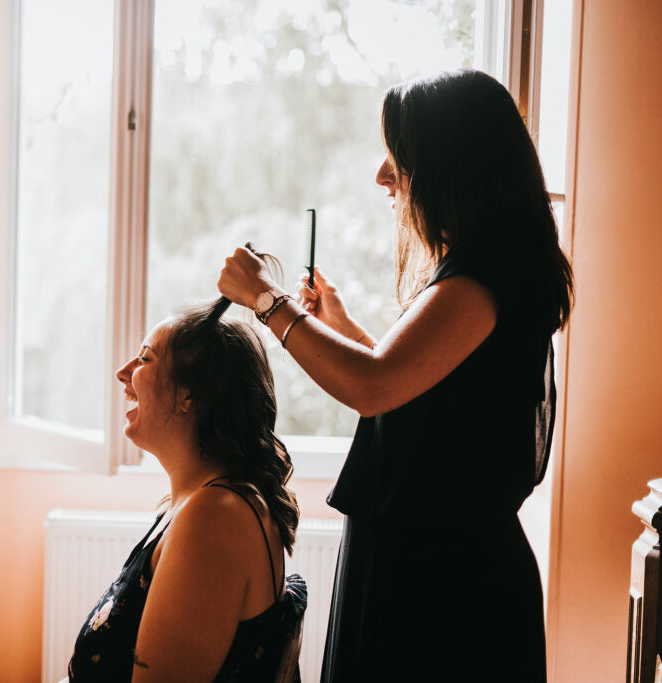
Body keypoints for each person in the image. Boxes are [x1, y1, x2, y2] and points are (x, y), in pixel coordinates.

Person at [217, 69, 573, 682]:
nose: (383, 175)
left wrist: (268, 301)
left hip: (445, 592)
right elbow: (417, 393)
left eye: (398, 156)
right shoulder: (490, 269)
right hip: (439, 570)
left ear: (450, 166)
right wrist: (342, 327)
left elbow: (375, 385)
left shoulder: (477, 281)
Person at [67, 298, 308, 682]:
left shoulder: (214, 516)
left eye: (145, 359)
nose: (122, 372)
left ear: (189, 397)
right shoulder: (197, 501)